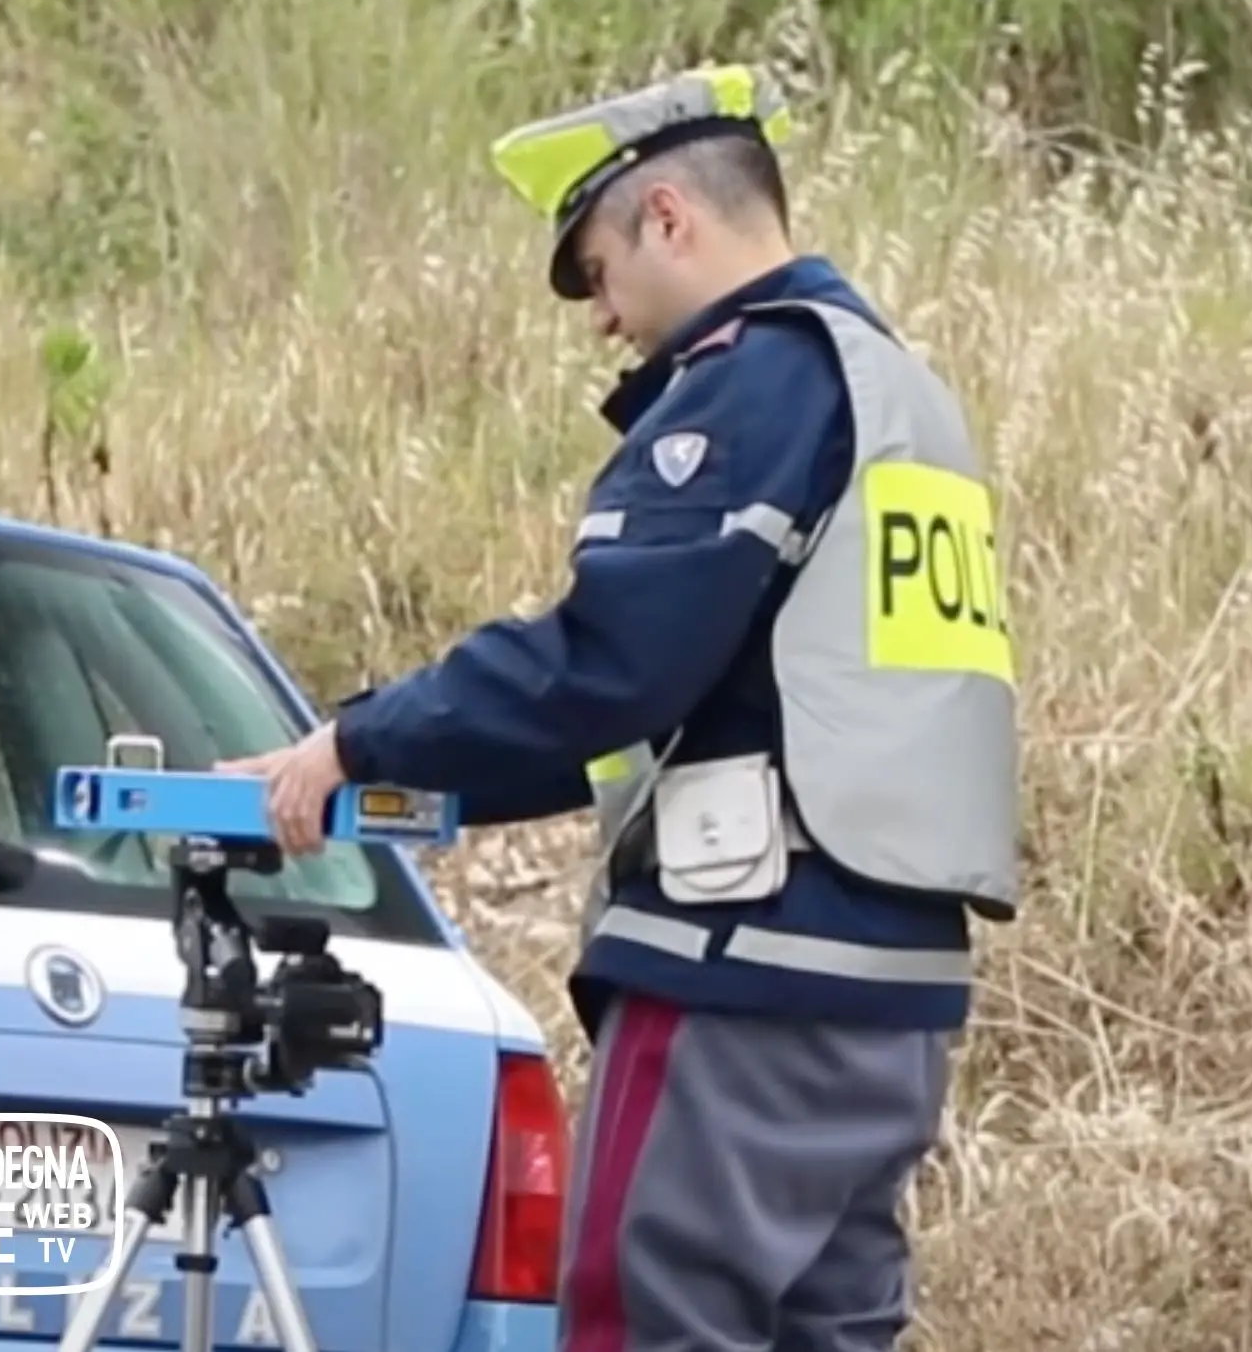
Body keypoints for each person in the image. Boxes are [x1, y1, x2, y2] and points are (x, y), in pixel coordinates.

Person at [219, 65, 1022, 1352]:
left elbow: (608, 661)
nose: (602, 320)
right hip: (890, 993)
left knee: (639, 1322)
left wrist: (354, 737)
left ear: (666, 215)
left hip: (741, 969)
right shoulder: (902, 398)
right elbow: (702, 709)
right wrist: (415, 782)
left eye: (595, 272)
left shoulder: (753, 379)